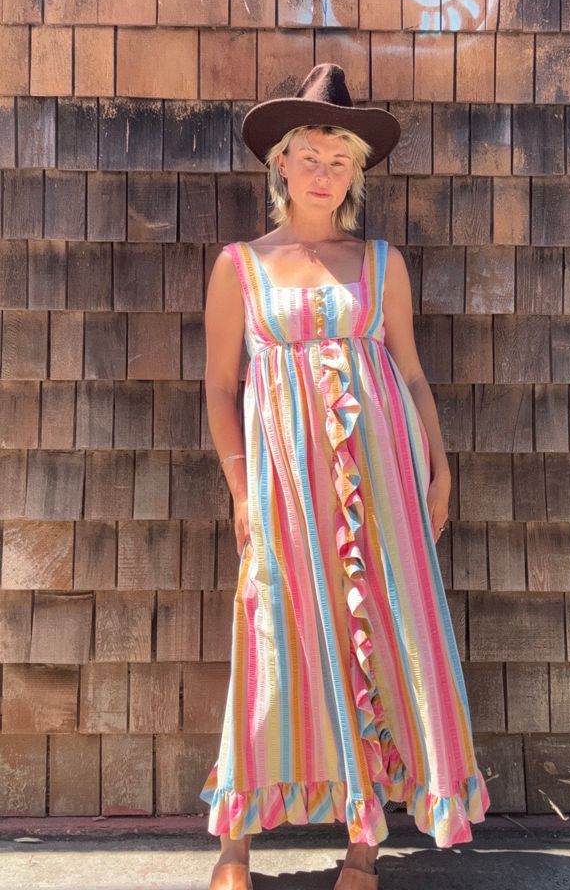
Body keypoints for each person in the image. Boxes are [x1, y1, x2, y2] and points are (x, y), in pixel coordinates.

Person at [200, 63, 490, 890]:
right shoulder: (240, 267)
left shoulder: (380, 263)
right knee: (271, 634)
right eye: (311, 157)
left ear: (354, 174)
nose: (324, 174)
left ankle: (365, 842)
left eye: (340, 161)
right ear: (281, 163)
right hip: (284, 490)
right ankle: (233, 846)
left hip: (383, 485)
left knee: (387, 640)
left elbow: (412, 374)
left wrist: (439, 469)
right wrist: (241, 490)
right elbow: (219, 387)